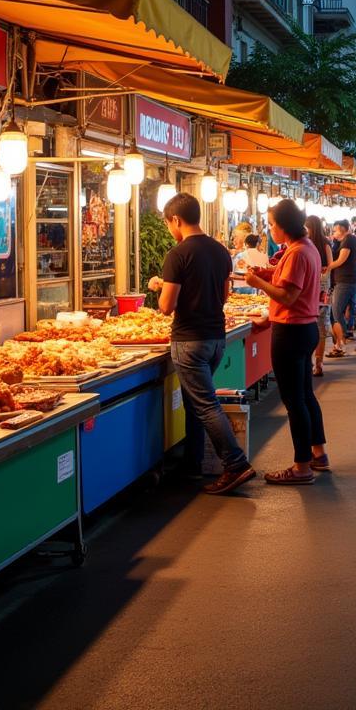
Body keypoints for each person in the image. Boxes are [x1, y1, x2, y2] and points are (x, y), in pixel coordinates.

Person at [148, 194, 255, 496]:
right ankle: (192, 463)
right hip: (216, 339)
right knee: (197, 404)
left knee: (205, 405)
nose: (170, 229)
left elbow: (167, 306)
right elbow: (223, 296)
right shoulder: (221, 252)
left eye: (168, 223)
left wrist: (159, 287)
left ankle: (235, 463)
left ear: (176, 220)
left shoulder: (177, 254)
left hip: (189, 339)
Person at [245, 199, 329, 485]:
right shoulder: (306, 248)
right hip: (304, 329)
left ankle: (301, 467)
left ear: (283, 226)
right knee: (305, 395)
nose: (269, 230)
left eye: (271, 225)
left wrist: (259, 284)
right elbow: (291, 285)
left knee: (294, 400)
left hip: (291, 332)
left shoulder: (296, 253)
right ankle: (318, 454)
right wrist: (267, 275)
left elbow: (288, 296)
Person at [327, 220, 356, 358]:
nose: (334, 233)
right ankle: (340, 343)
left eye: (335, 230)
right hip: (350, 280)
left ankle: (340, 344)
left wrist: (327, 267)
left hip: (346, 281)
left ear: (342, 229)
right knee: (338, 311)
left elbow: (341, 259)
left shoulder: (348, 241)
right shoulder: (351, 240)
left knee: (336, 312)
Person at [305, 215, 333, 377]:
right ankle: (316, 362)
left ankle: (317, 362)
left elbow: (330, 265)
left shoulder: (316, 244)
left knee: (316, 326)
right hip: (320, 290)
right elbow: (330, 265)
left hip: (316, 290)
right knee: (317, 327)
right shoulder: (323, 243)